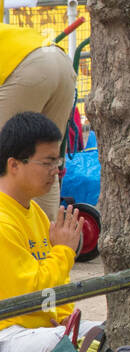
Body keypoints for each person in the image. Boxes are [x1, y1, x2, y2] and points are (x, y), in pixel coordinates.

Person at [0, 113, 79, 352]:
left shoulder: (35, 212)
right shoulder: (2, 221)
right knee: (83, 345)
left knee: (101, 335)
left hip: (35, 333)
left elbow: (56, 285)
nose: (56, 170)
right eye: (47, 162)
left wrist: (67, 317)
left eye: (57, 161)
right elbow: (32, 292)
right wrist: (64, 251)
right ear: (14, 165)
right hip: (6, 335)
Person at [0, 24, 76, 217]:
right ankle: (47, 240)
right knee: (47, 162)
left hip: (26, 69)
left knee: (5, 160)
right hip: (58, 60)